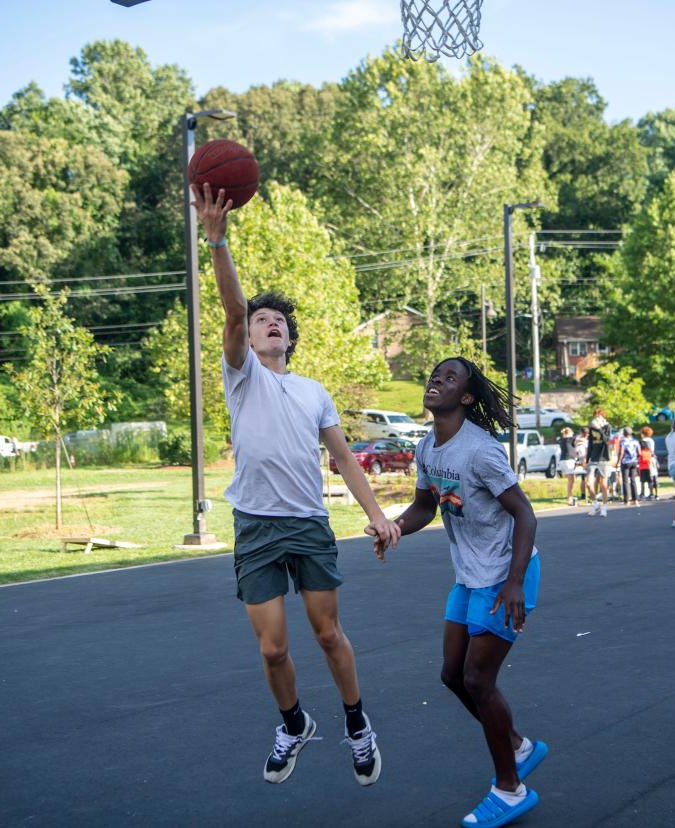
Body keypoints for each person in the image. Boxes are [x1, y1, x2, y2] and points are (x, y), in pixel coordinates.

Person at [194, 182, 395, 785]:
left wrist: (379, 514)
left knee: (328, 633)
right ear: (249, 339)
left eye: (278, 321)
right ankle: (293, 723)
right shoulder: (242, 376)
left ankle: (358, 725)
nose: (269, 325)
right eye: (261, 320)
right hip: (255, 523)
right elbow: (230, 308)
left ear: (290, 336)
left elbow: (346, 459)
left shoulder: (312, 392)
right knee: (273, 648)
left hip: (308, 523)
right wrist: (217, 241)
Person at [384, 357, 546, 828]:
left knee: (478, 680)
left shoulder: (481, 451)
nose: (436, 380)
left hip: (506, 575)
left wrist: (514, 581)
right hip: (469, 575)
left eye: (449, 378)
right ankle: (518, 746)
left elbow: (526, 515)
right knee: (452, 676)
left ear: (467, 398)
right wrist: (394, 528)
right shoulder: (427, 447)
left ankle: (510, 787)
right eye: (434, 374)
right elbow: (425, 506)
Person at [585, 411, 611, 517]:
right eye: (595, 416)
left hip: (603, 458)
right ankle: (595, 504)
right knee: (588, 483)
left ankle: (604, 507)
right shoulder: (592, 428)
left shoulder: (607, 426)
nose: (596, 417)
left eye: (598, 416)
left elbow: (606, 439)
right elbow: (590, 443)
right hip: (593, 458)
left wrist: (600, 428)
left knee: (603, 484)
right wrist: (587, 459)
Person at [618, 426, 641, 505]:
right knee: (633, 480)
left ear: (624, 433)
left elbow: (621, 452)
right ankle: (635, 499)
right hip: (634, 461)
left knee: (625, 481)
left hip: (625, 462)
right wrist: (636, 458)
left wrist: (618, 461)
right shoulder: (635, 441)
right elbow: (639, 452)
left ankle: (626, 500)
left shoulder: (623, 441)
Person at [556, 427, 578, 506]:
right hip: (569, 461)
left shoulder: (561, 440)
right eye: (571, 433)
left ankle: (570, 496)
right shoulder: (569, 439)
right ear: (569, 433)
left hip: (563, 460)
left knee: (571, 480)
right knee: (570, 481)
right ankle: (569, 498)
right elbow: (576, 437)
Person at [639, 426, 658, 500]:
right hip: (651, 459)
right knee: (651, 477)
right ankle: (652, 493)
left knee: (643, 479)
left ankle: (642, 493)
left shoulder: (643, 440)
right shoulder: (651, 440)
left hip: (644, 460)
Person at [574, 427, 590, 502]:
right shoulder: (585, 441)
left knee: (583, 479)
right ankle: (587, 494)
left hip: (581, 460)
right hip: (585, 460)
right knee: (587, 478)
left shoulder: (577, 440)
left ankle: (584, 494)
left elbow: (576, 451)